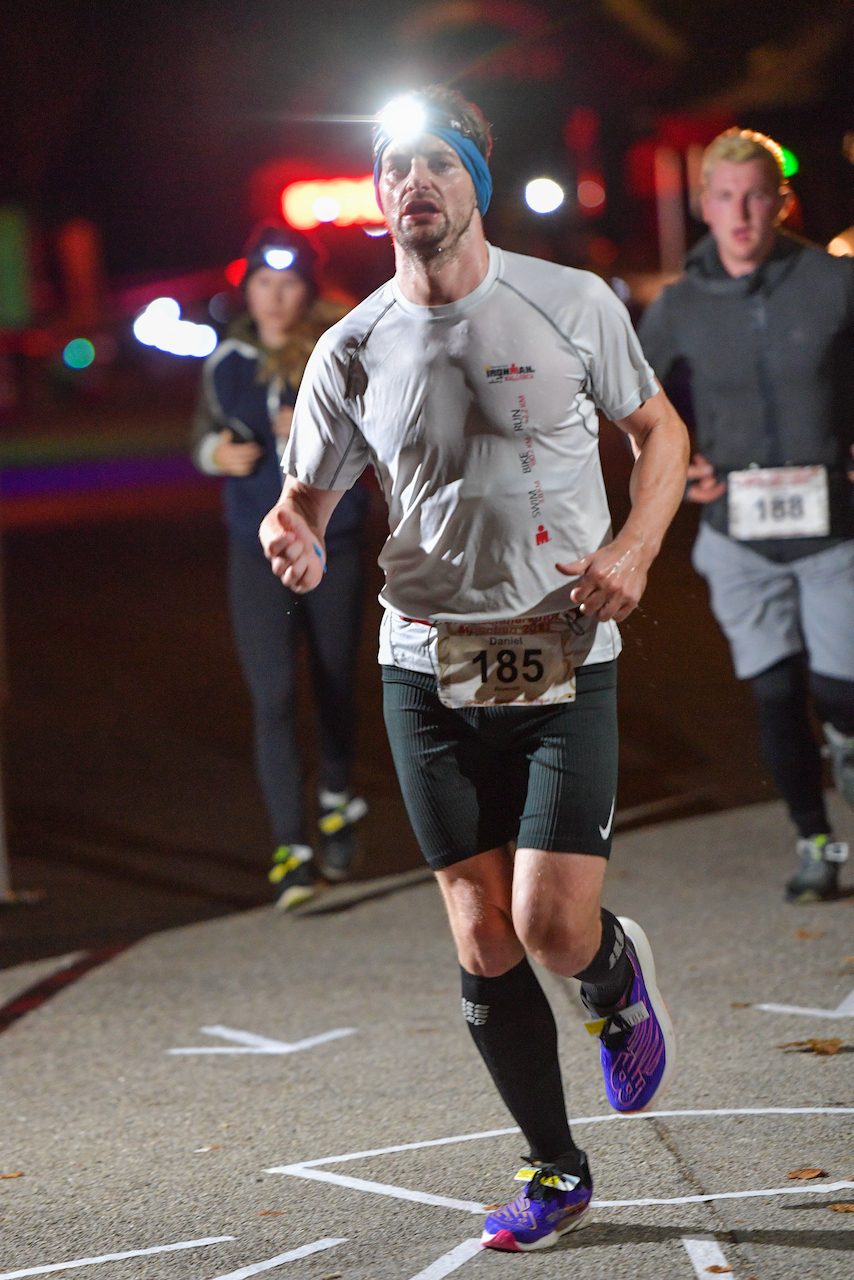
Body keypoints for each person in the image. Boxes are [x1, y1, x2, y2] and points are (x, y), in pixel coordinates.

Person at [259, 87, 688, 1252]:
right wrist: (289, 530)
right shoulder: (352, 346)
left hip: (562, 647)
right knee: (478, 931)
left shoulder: (566, 302)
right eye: (393, 165)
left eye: (436, 163)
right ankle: (553, 1167)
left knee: (549, 927)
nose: (414, 183)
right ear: (379, 196)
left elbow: (658, 435)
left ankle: (606, 975)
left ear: (472, 186)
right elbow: (304, 494)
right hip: (425, 664)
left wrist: (635, 548)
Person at [639, 129, 854, 903]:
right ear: (704, 205)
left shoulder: (834, 283)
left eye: (757, 195)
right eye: (725, 197)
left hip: (835, 528)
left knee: (839, 691)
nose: (741, 213)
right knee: (771, 691)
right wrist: (677, 460)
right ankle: (815, 840)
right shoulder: (681, 304)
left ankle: (845, 734)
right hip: (739, 533)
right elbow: (633, 399)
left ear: (782, 202)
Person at [192, 225, 369, 909]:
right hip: (253, 546)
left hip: (333, 541)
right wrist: (217, 455)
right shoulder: (228, 359)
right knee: (271, 695)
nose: (274, 296)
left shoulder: (338, 349)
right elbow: (201, 433)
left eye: (289, 282)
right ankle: (291, 851)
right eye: (263, 283)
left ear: (308, 288)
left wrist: (319, 431)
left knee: (330, 682)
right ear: (247, 290)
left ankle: (337, 792)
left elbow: (382, 438)